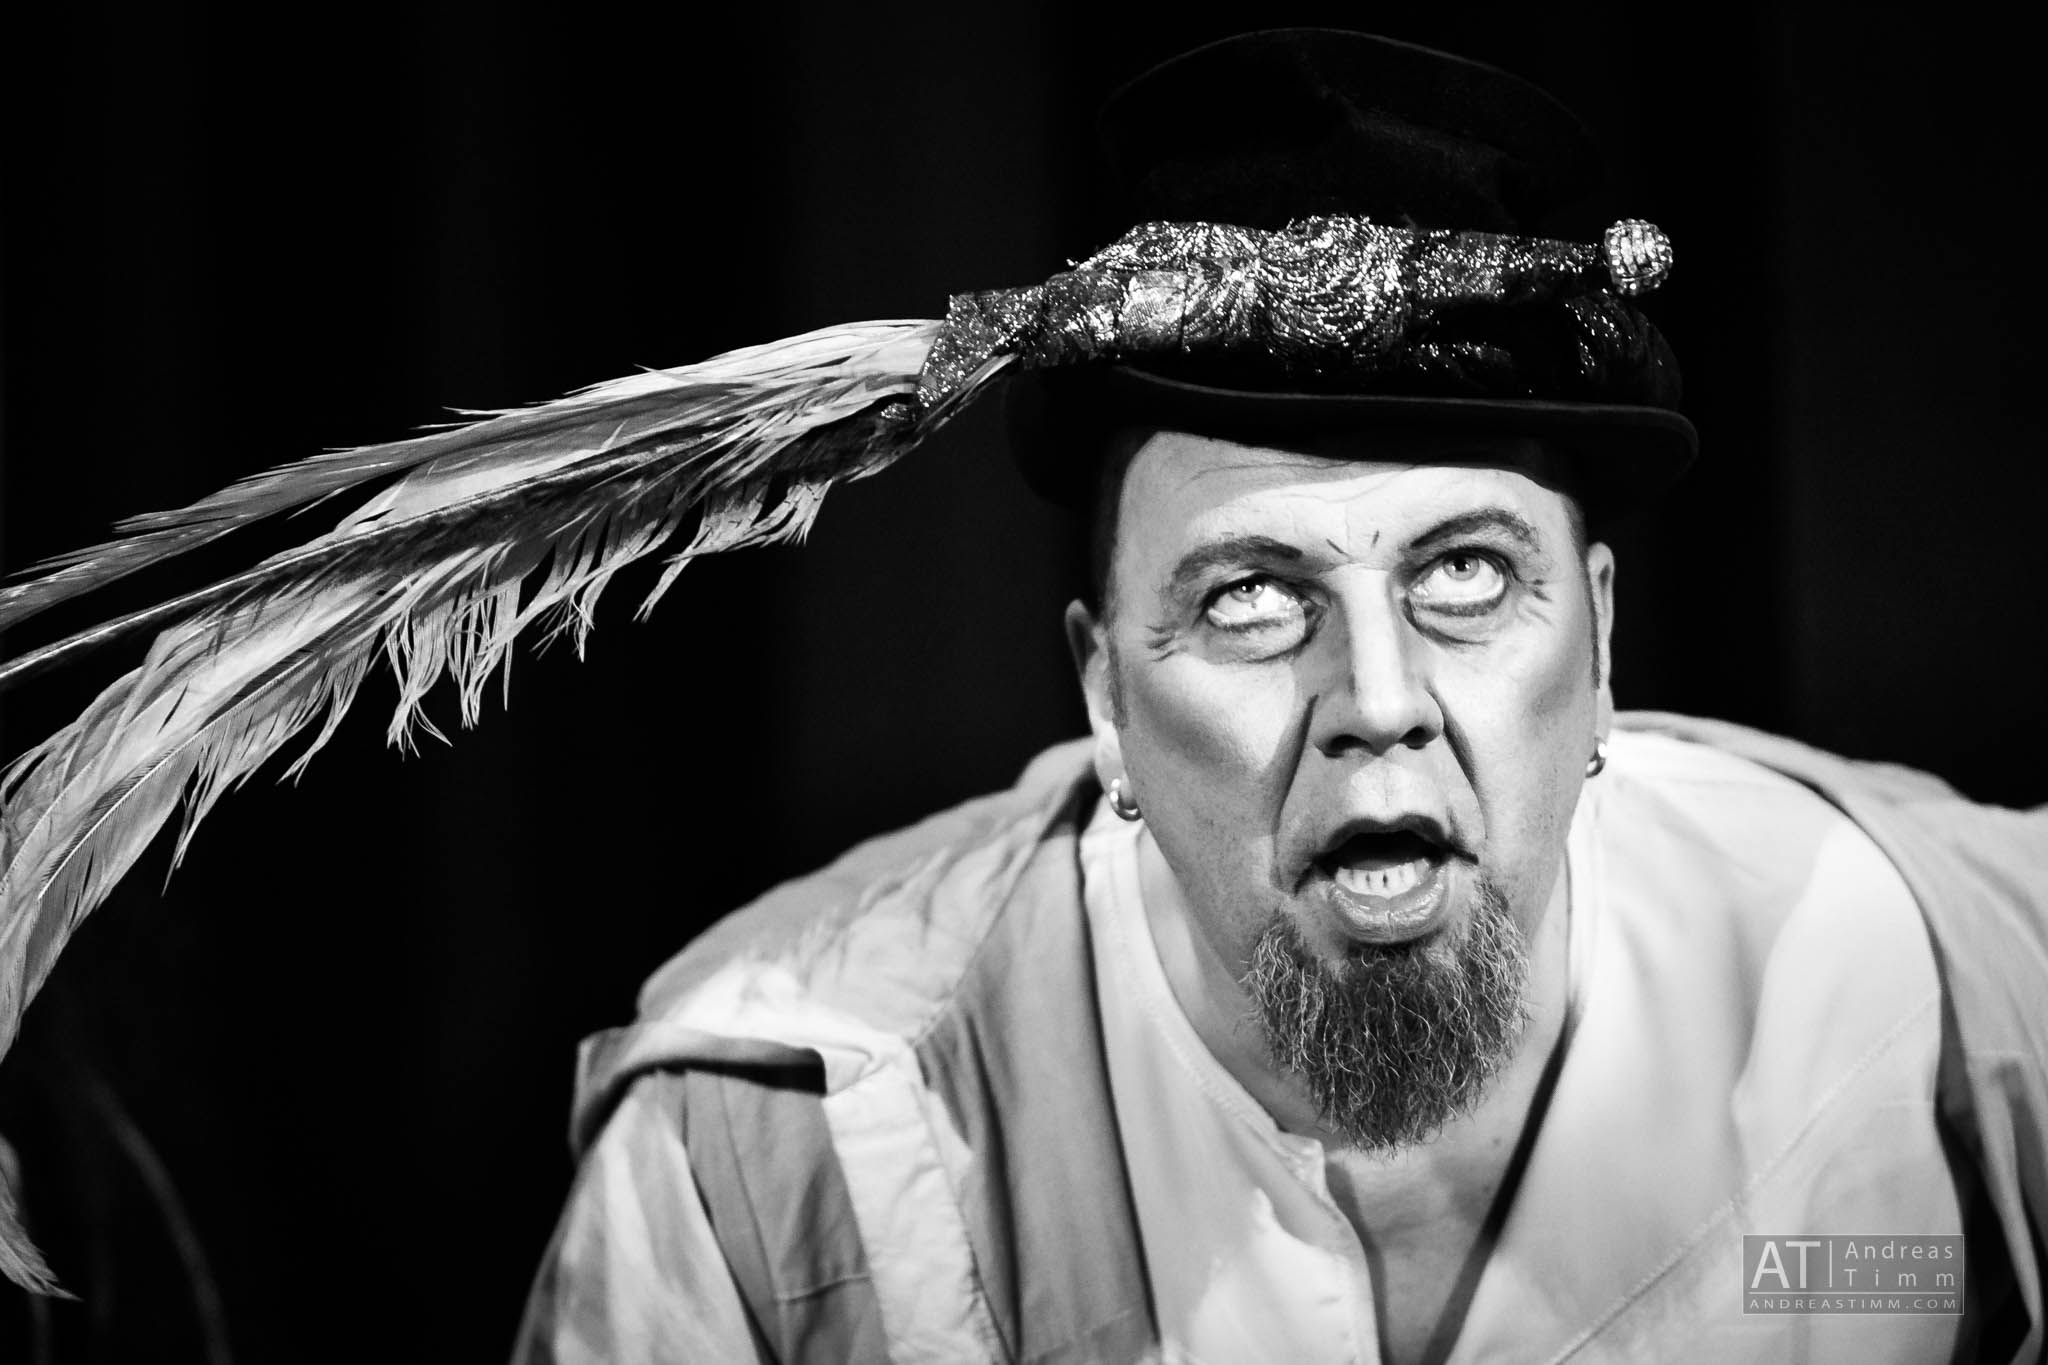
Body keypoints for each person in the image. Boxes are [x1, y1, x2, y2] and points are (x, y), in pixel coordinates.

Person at [503, 29, 2048, 1365]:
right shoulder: (768, 1149)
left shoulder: (1952, 986)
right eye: (1249, 598)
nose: (1378, 701)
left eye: (1464, 575)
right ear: (1103, 694)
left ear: (1604, 643)